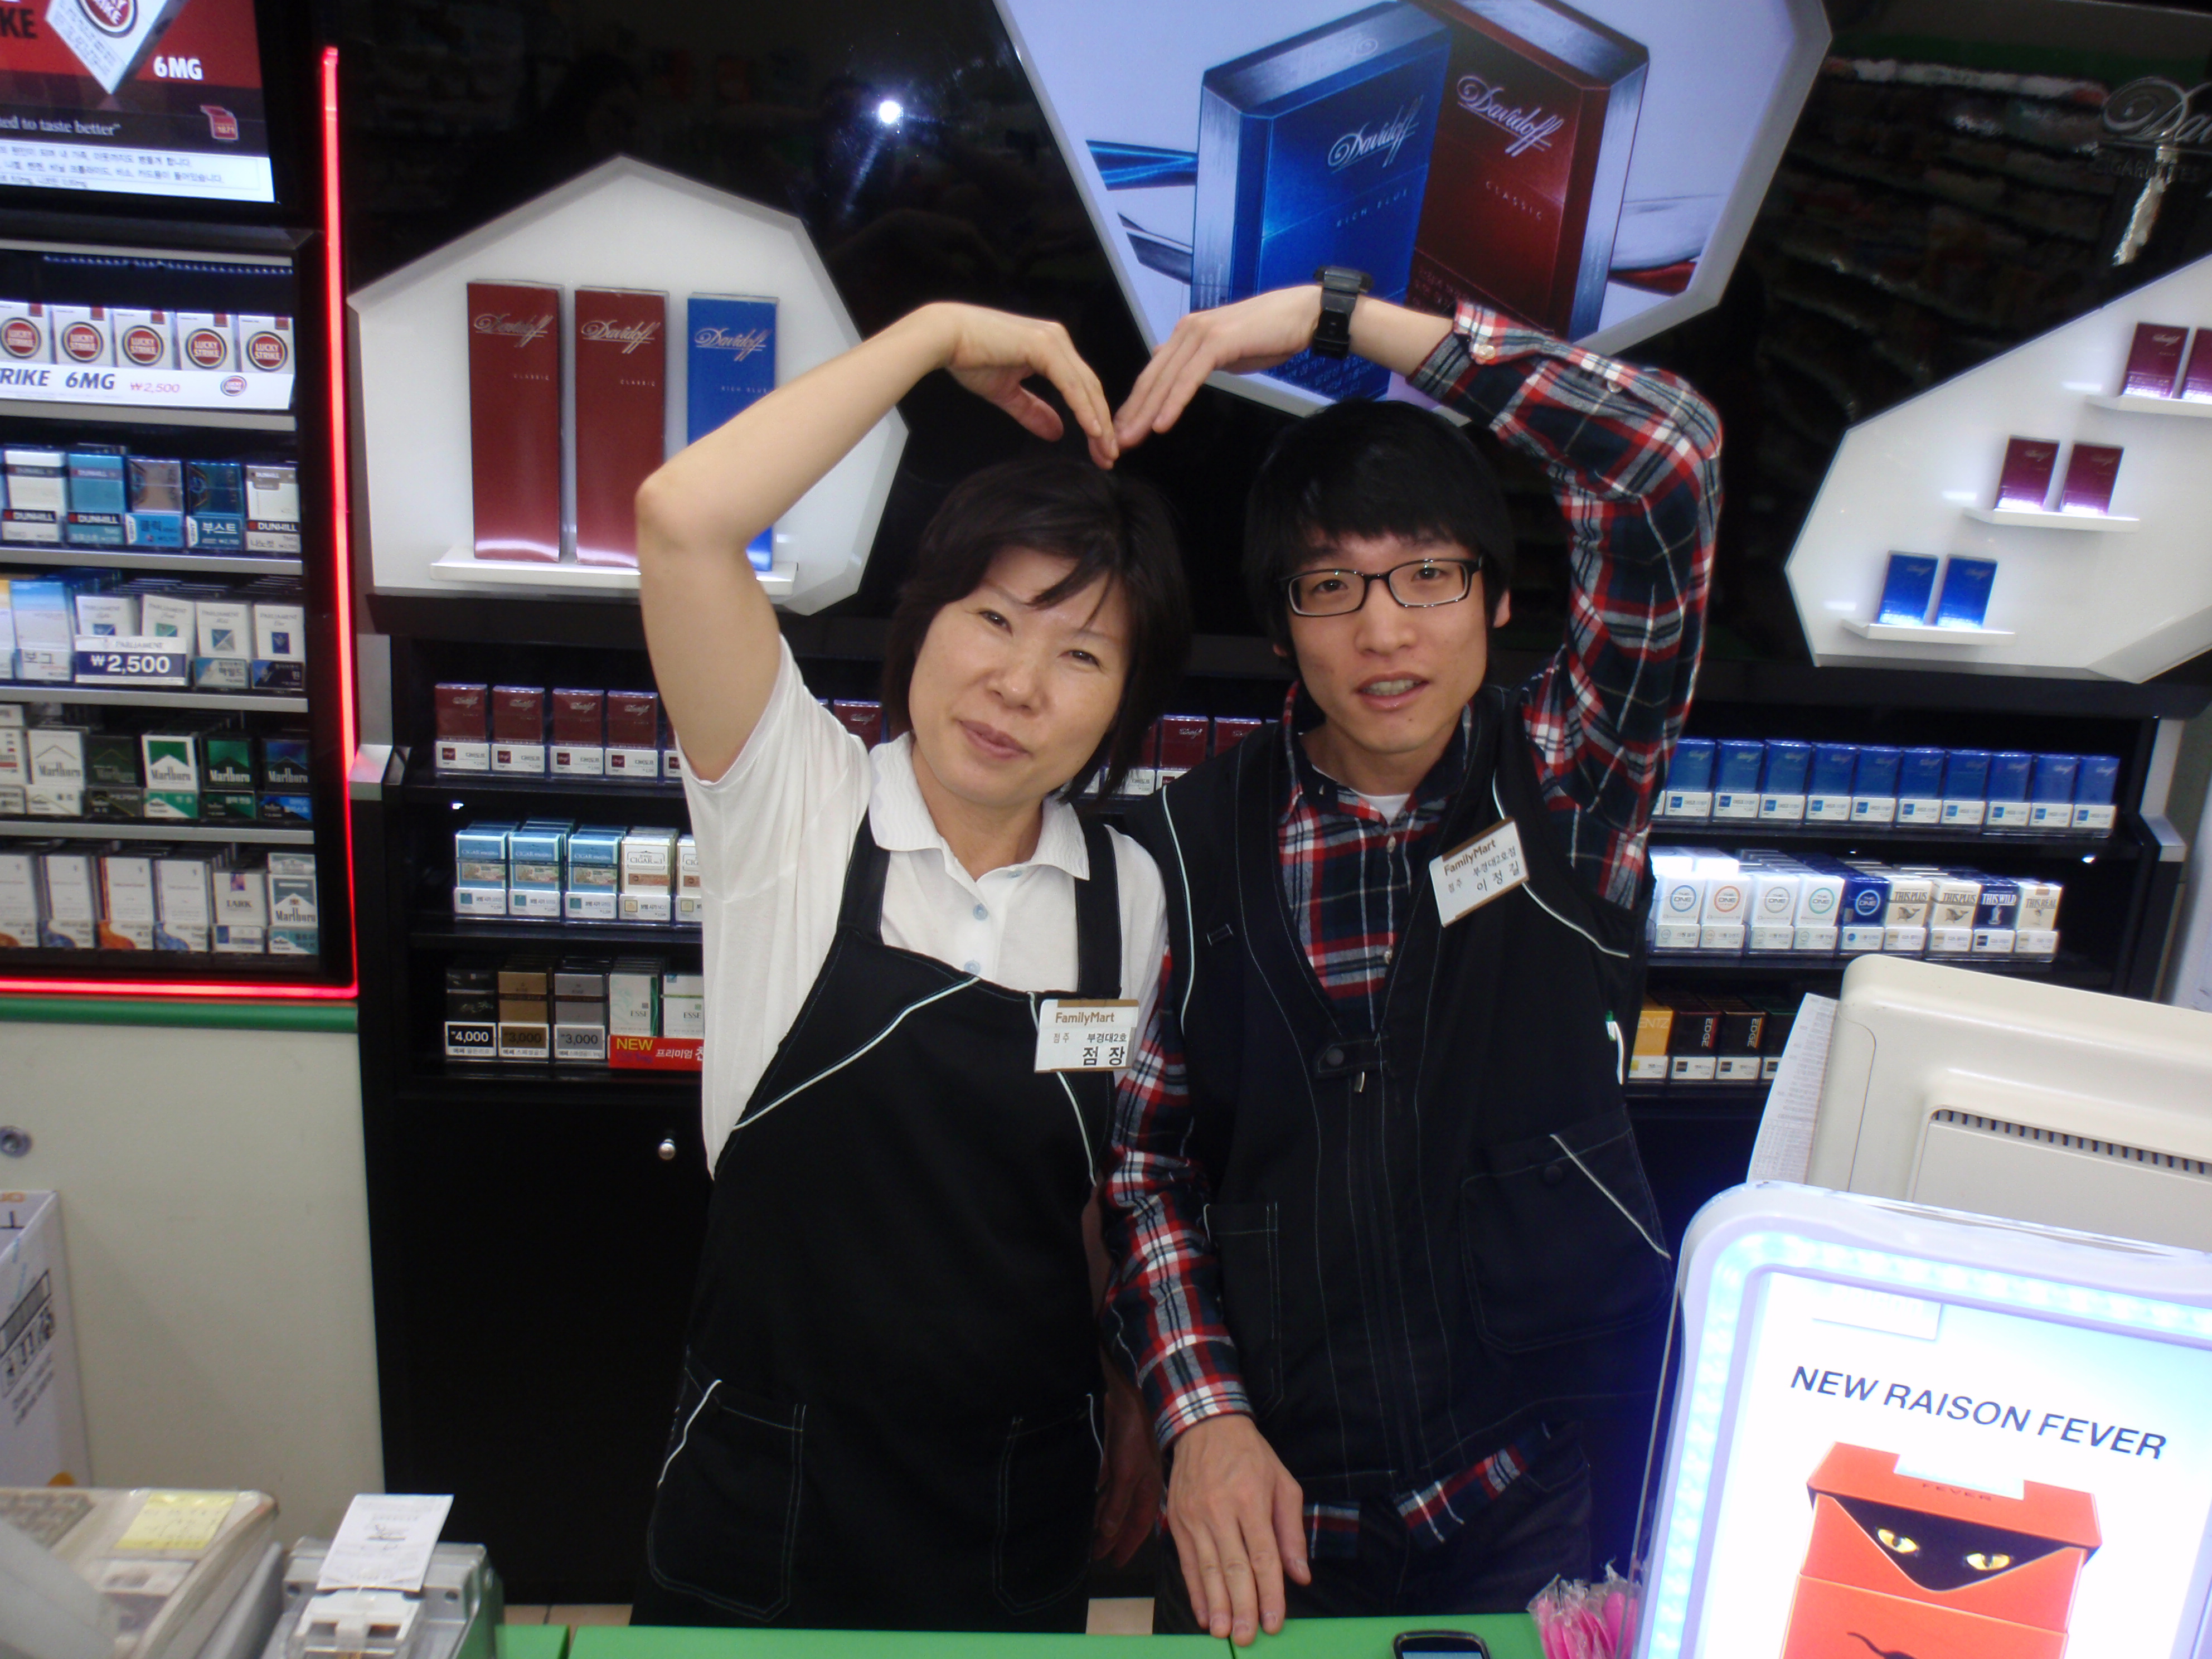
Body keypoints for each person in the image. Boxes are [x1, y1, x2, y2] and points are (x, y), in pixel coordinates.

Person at [1102, 280, 1723, 1642]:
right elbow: (1147, 1171)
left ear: (1494, 599)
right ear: (1281, 626)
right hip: (1266, 1510)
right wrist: (1198, 1416)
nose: (1383, 632)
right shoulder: (1183, 844)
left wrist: (1340, 320)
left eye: (1428, 575)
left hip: (1538, 1487)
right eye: (1330, 589)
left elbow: (1665, 461)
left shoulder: (1570, 775)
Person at [629, 301, 1187, 1631]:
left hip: (1012, 1501)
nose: (1019, 686)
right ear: (925, 622)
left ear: (1123, 703)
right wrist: (932, 338)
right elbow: (682, 517)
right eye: (992, 619)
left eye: (1081, 654)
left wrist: (1127, 1388)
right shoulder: (794, 799)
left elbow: (1089, 1193)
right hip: (768, 1493)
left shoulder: (1128, 895)